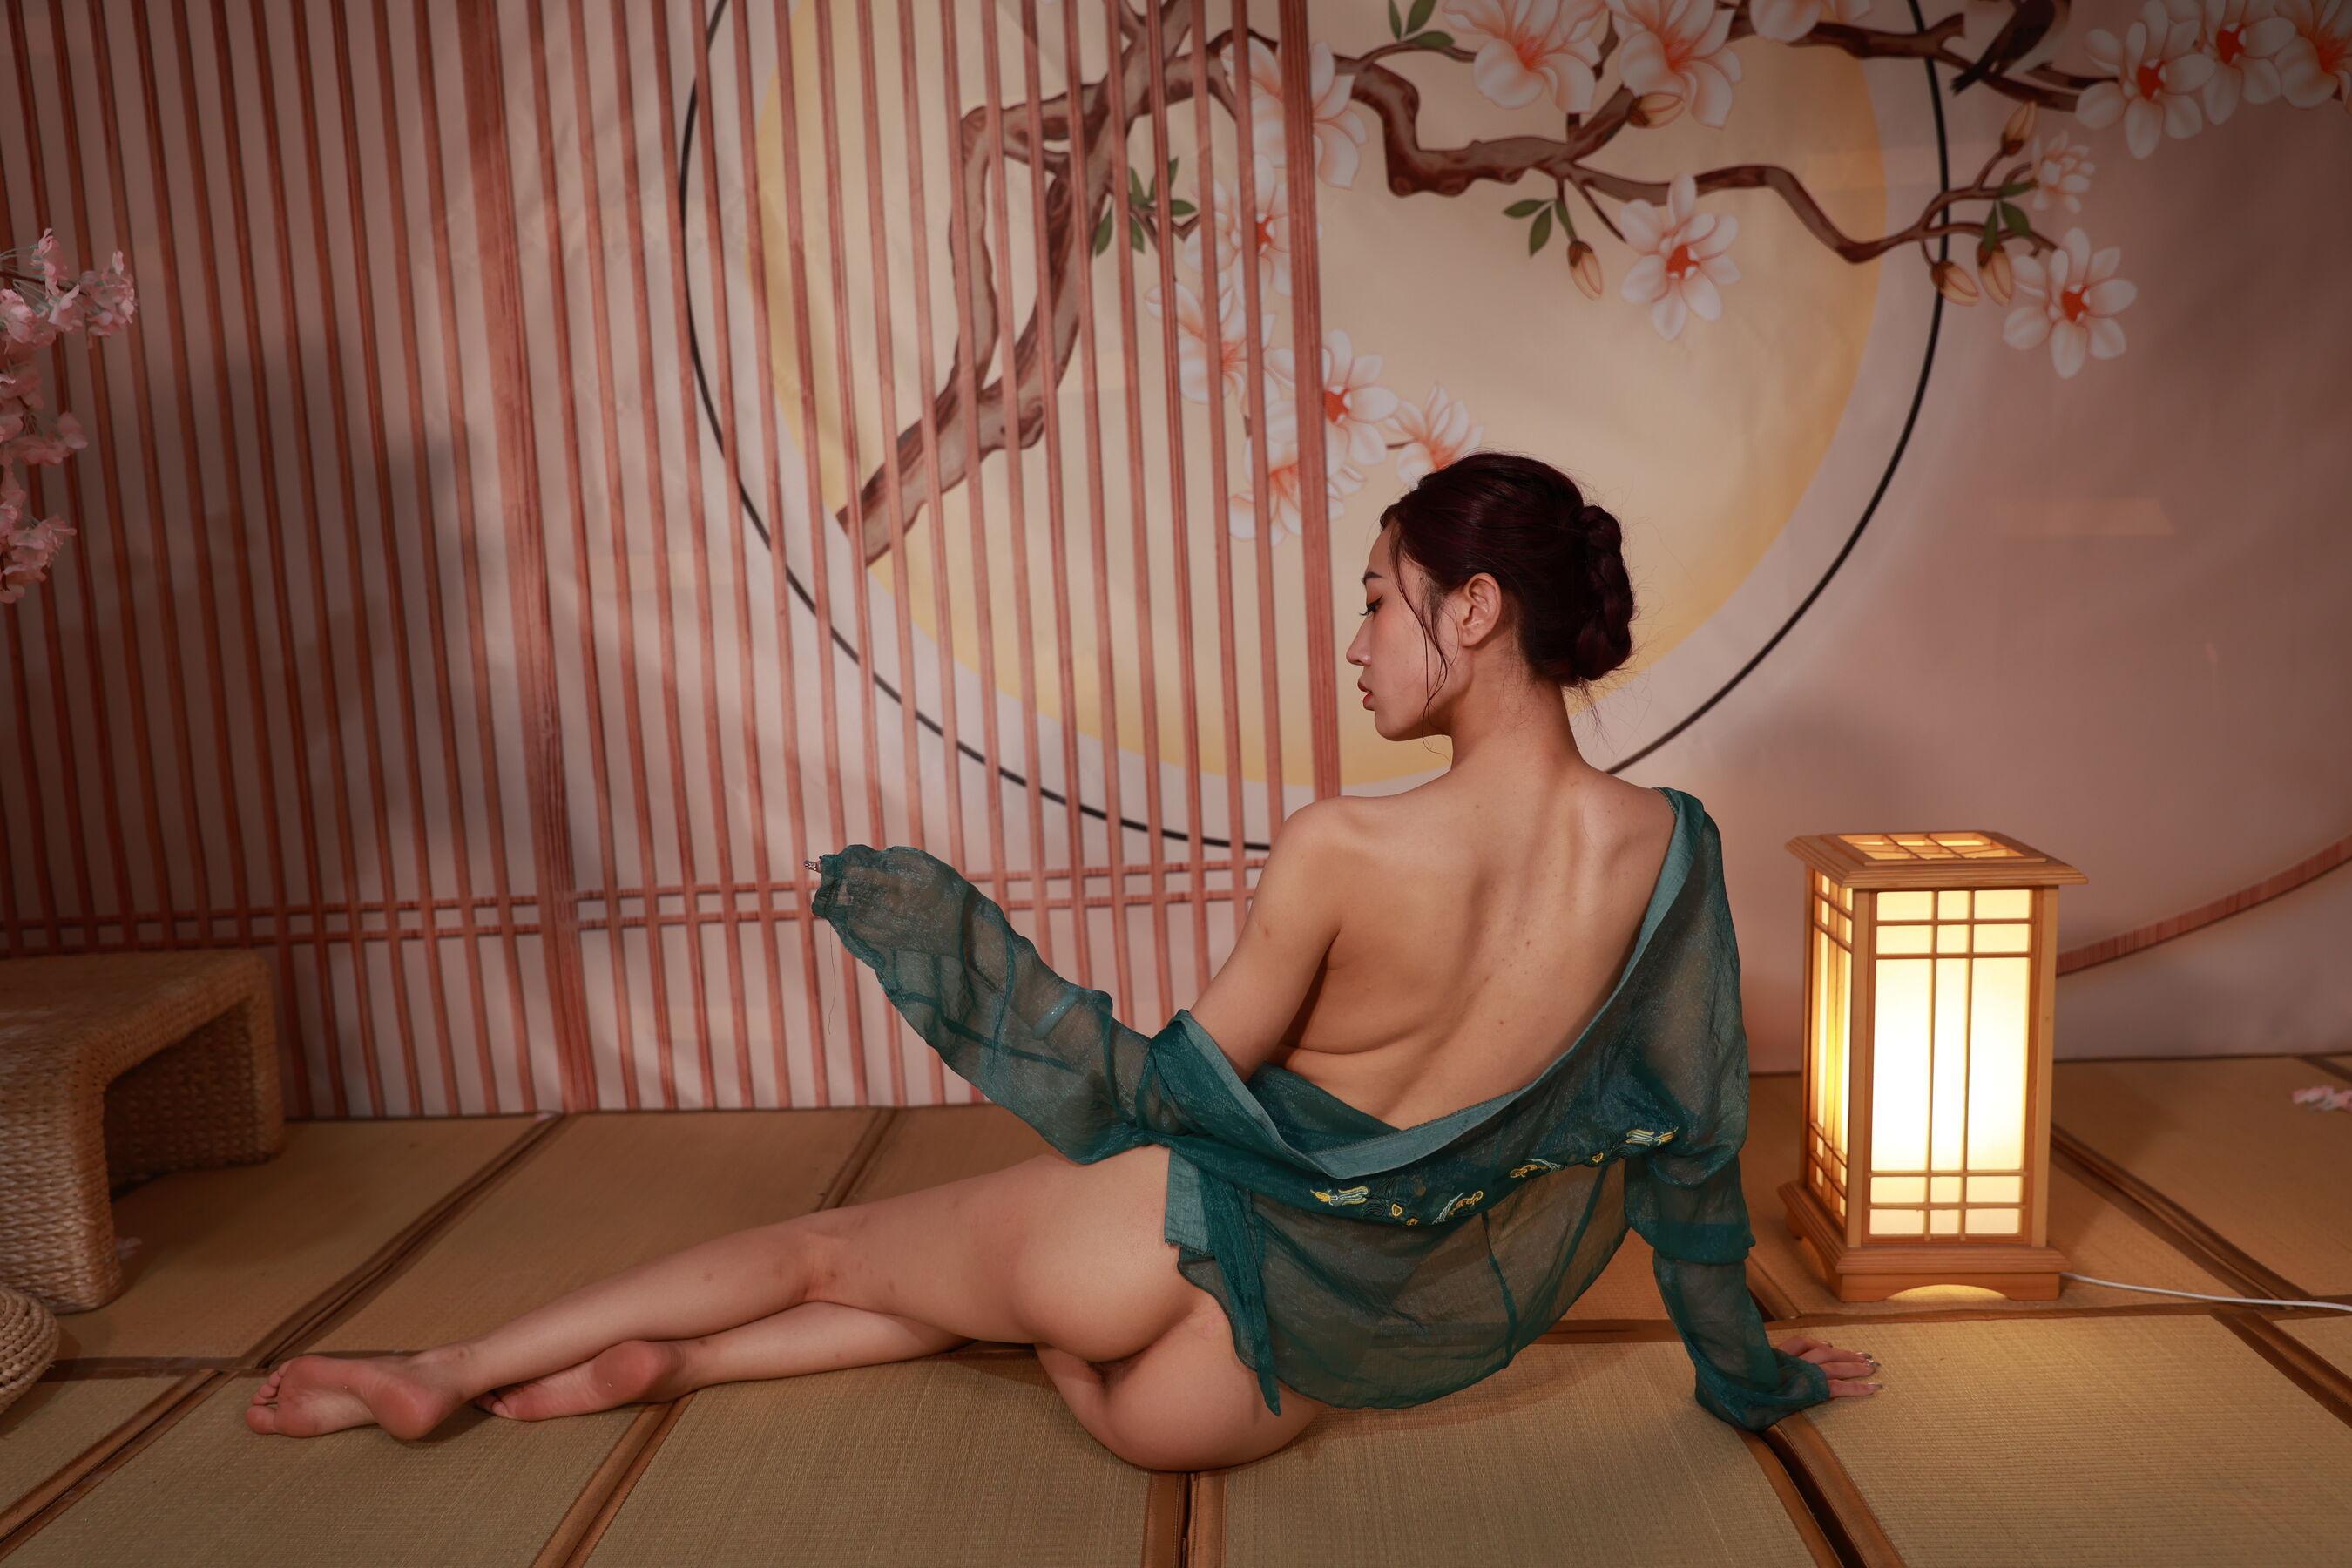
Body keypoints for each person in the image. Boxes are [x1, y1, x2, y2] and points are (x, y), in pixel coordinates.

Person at [246, 450, 1882, 1469]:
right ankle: (681, 1363)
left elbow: (1167, 1098)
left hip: (1164, 1248)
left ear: (1471, 610)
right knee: (969, 1302)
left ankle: (439, 1371)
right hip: (1279, 1372)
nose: (1356, 642)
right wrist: (1748, 1378)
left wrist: (975, 977)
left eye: (1378, 602)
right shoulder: (1671, 851)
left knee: (837, 1246)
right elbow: (1689, 1168)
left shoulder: (1344, 843)